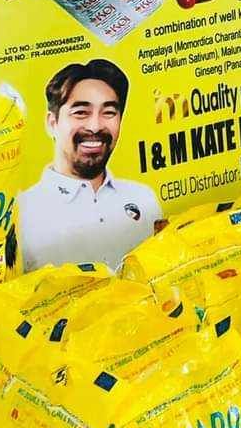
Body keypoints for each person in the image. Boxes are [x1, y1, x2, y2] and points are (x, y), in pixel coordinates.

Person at [18, 58, 162, 272]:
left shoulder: (143, 197)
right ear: (52, 123)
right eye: (81, 112)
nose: (95, 126)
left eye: (109, 113)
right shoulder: (23, 213)